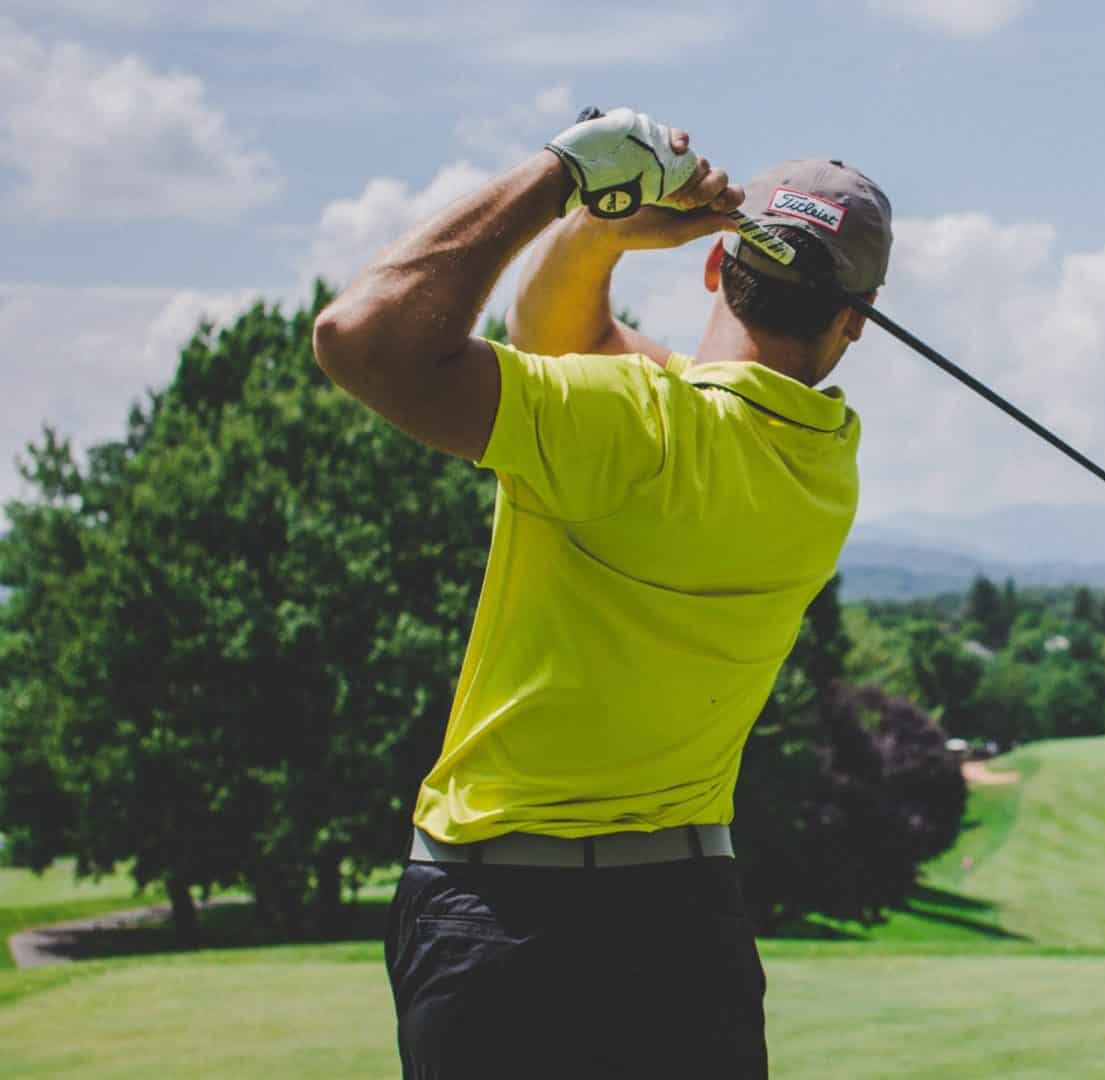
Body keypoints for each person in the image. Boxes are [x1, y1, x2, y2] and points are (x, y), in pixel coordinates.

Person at [312, 107, 892, 1079]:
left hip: (497, 921)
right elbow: (566, 339)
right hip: (688, 928)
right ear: (854, 324)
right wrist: (594, 233)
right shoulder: (825, 469)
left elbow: (361, 337)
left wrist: (568, 180)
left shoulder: (626, 430)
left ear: (714, 266)